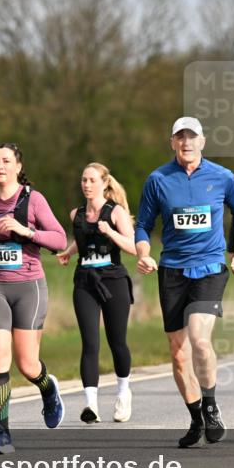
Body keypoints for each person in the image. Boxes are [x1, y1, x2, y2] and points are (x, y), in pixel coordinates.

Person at [135, 117, 234, 448]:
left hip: (210, 268)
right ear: (172, 142)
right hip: (172, 270)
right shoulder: (158, 180)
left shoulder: (222, 176)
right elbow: (143, 223)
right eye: (180, 137)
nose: (186, 143)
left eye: (192, 137)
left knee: (199, 339)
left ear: (203, 141)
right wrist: (143, 252)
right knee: (178, 352)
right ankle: (196, 417)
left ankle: (212, 408)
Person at [0, 143, 68, 454]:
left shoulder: (33, 200)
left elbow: (59, 239)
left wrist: (26, 231)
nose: (0, 166)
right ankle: (3, 433)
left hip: (29, 287)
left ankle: (47, 388)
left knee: (27, 364)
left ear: (18, 166)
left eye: (6, 161)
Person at [57, 163, 136, 423]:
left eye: (92, 180)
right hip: (85, 282)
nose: (87, 185)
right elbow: (83, 241)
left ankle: (124, 393)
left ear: (104, 183)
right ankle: (91, 405)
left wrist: (110, 232)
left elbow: (134, 247)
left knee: (117, 342)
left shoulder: (116, 213)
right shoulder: (75, 214)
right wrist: (69, 252)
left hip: (113, 280)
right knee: (90, 343)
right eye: (83, 180)